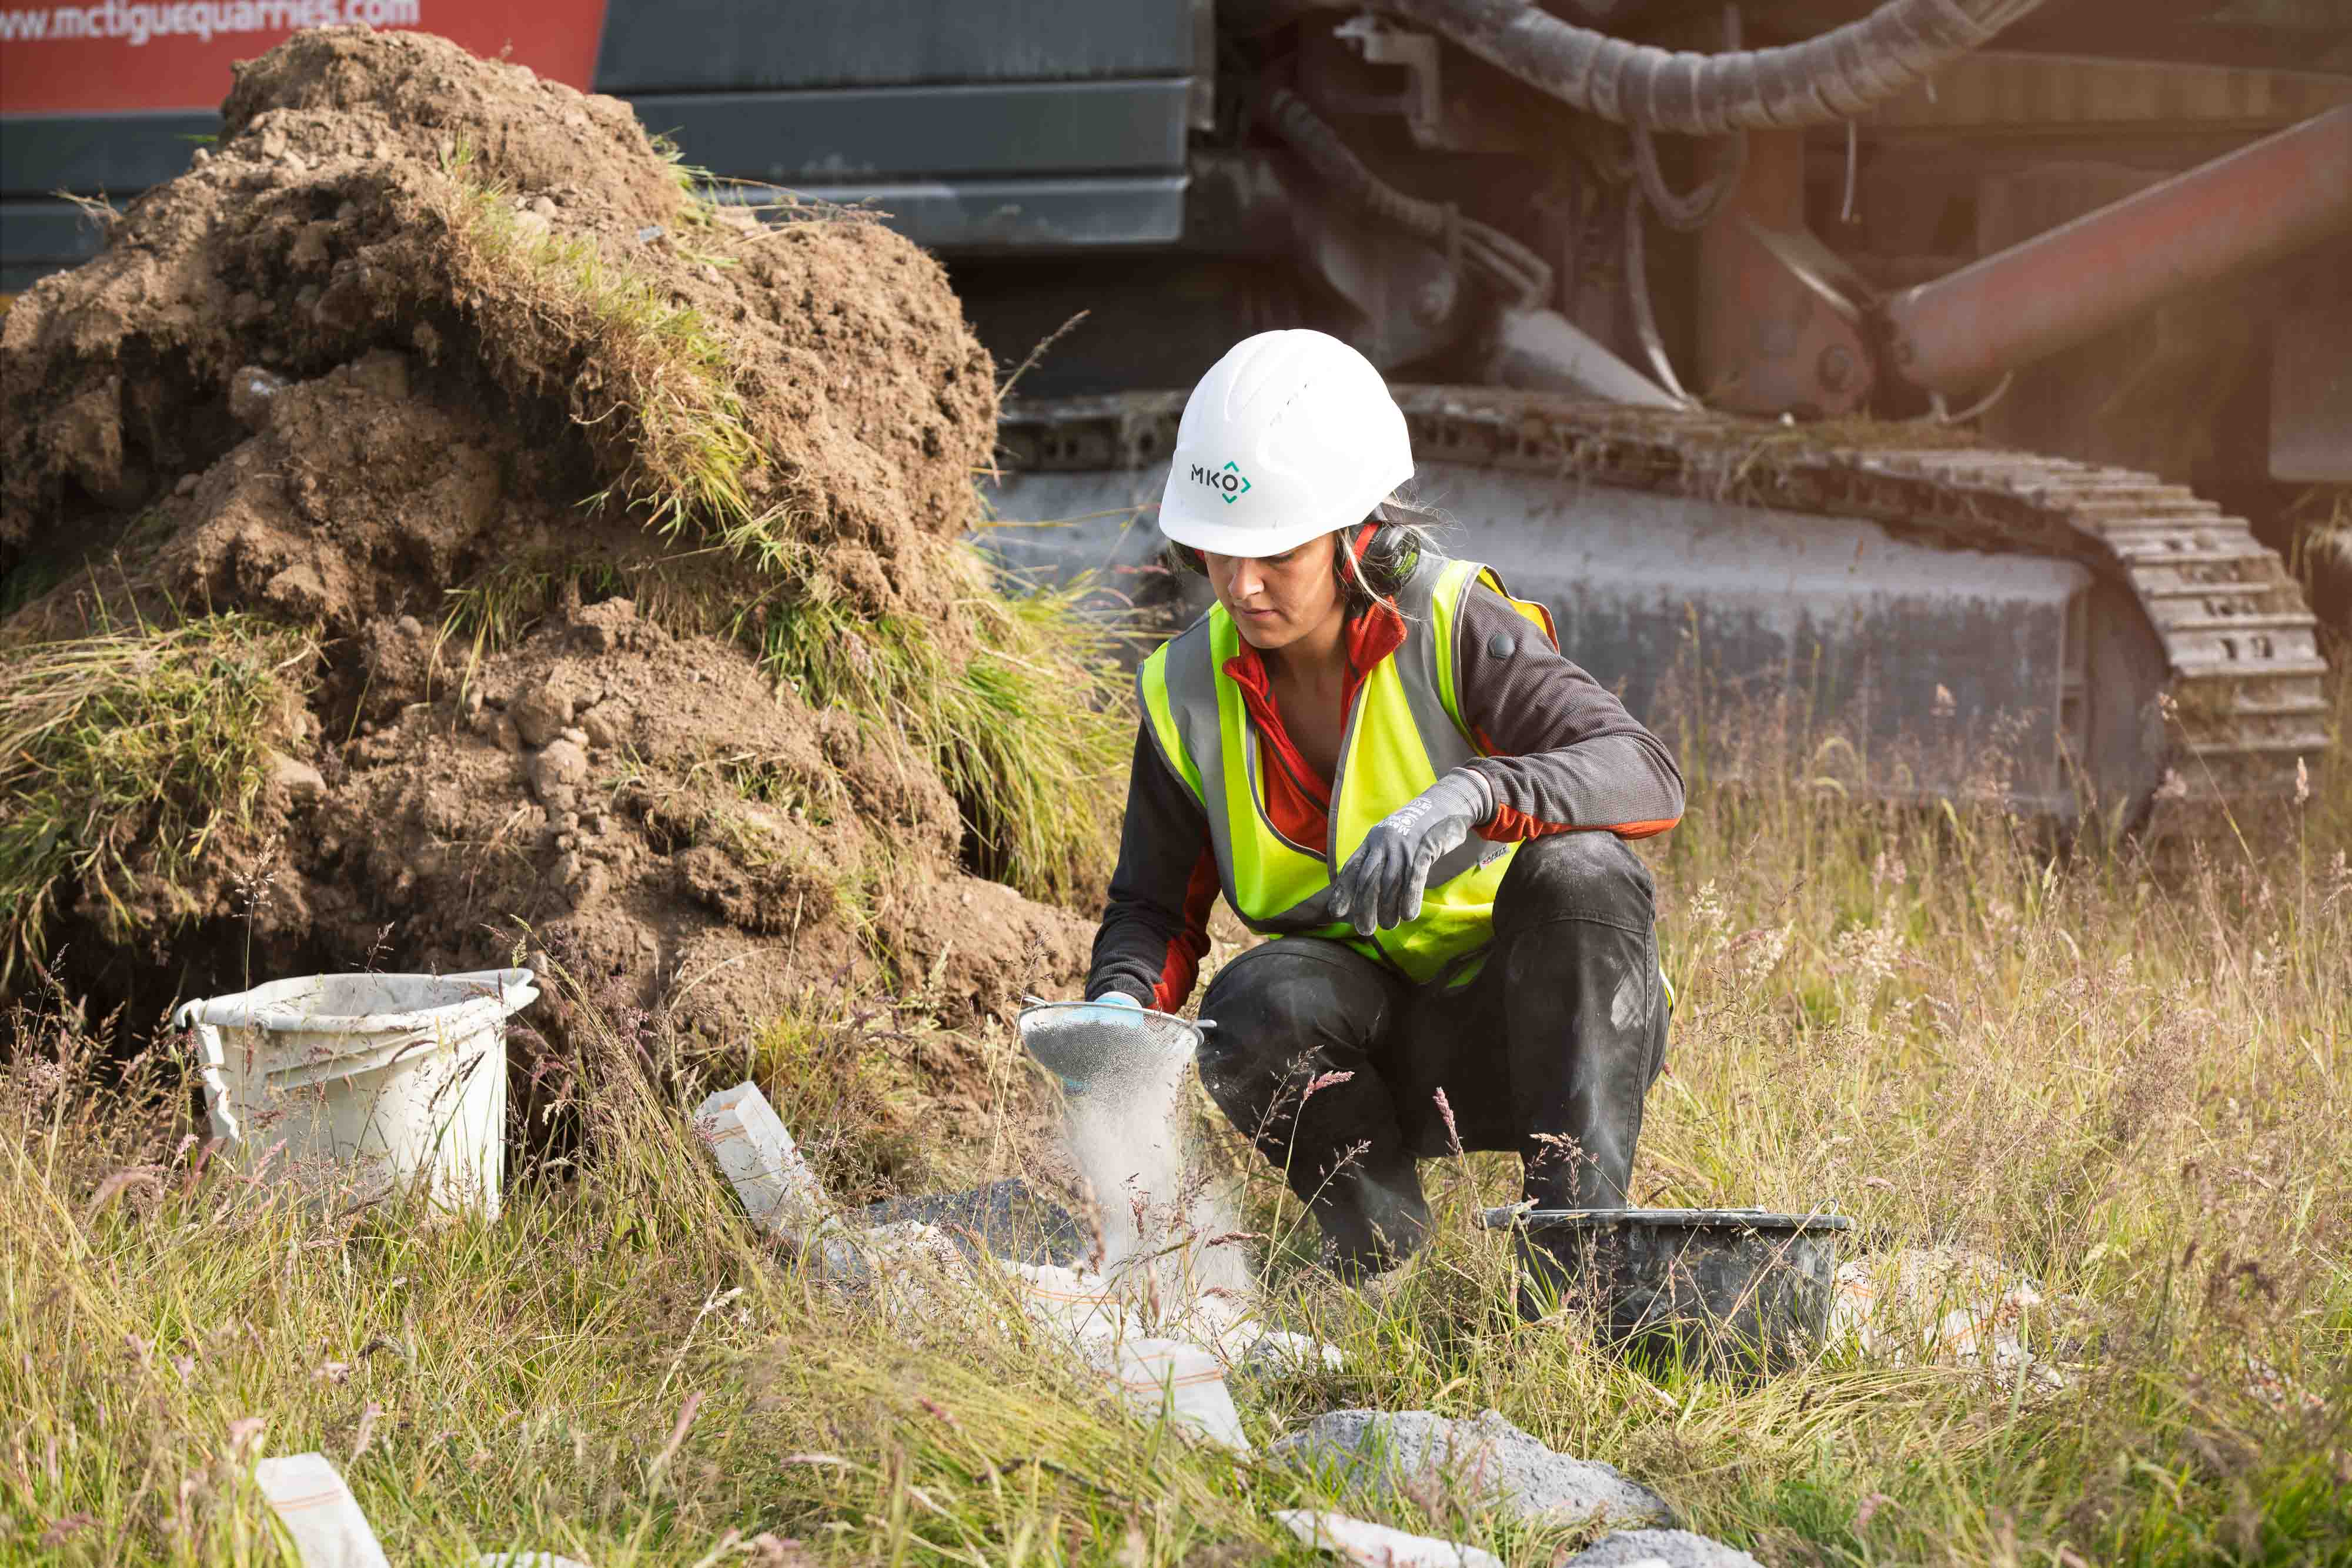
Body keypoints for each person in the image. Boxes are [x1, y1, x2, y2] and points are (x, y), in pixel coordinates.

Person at [1083, 329, 1684, 1281]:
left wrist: (1481, 790)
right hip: (1373, 1056)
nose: (1243, 585)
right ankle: (1380, 1265)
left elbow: (1645, 772)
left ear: (1357, 536)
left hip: (1552, 1033)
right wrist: (1115, 1012)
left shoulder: (1451, 622)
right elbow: (1154, 911)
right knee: (1252, 1002)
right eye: (1219, 552)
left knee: (1586, 870)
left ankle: (1578, 1264)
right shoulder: (1184, 689)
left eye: (1277, 551)